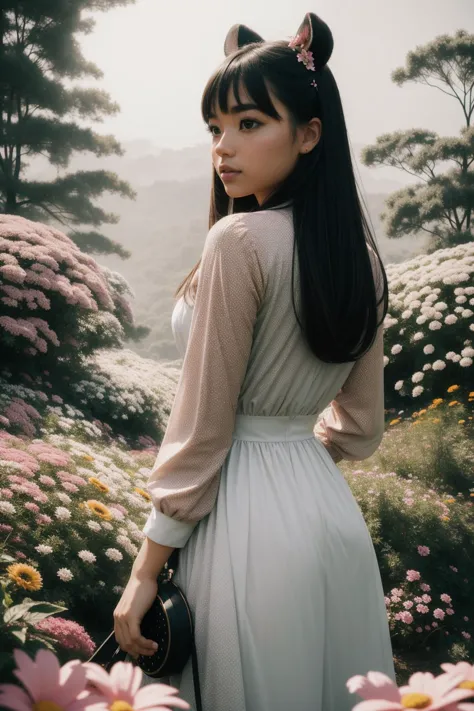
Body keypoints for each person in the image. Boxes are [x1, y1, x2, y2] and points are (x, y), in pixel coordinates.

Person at [113, 11, 396, 711]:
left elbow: (204, 425)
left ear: (309, 133)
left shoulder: (237, 241)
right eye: (216, 128)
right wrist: (290, 453)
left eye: (248, 124)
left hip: (244, 524)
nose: (224, 147)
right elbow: (360, 426)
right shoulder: (359, 259)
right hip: (329, 521)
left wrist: (146, 571)